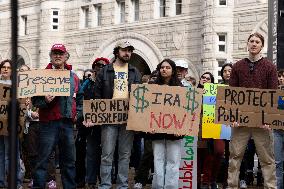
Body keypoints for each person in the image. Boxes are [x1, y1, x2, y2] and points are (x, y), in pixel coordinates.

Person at [84, 40, 141, 189]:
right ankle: (105, 185)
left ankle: (122, 185)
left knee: (125, 155)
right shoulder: (105, 71)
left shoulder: (135, 72)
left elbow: (140, 96)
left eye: (129, 50)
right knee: (107, 154)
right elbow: (97, 94)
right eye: (124, 50)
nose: (127, 53)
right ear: (117, 52)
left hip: (127, 119)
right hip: (108, 118)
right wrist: (94, 115)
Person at [227, 32, 277, 188]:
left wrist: (269, 119)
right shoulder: (237, 66)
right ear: (247, 44)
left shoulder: (270, 67)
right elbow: (232, 93)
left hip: (262, 121)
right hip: (240, 120)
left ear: (262, 46)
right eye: (251, 41)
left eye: (257, 41)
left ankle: (271, 187)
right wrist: (232, 117)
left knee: (267, 159)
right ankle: (232, 186)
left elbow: (273, 95)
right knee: (235, 156)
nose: (254, 44)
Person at [32, 44, 83, 189]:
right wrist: (45, 100)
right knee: (43, 160)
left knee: (69, 161)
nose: (58, 56)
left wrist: (77, 114)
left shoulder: (73, 77)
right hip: (48, 123)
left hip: (67, 124)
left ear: (66, 56)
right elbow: (36, 101)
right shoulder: (42, 76)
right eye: (55, 53)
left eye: (61, 53)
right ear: (51, 56)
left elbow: (79, 98)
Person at [150, 59, 183, 189]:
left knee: (173, 162)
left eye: (167, 67)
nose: (164, 69)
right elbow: (148, 110)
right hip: (156, 131)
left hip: (175, 131)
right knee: (158, 161)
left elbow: (184, 111)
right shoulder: (152, 88)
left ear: (173, 70)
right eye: (162, 67)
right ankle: (158, 186)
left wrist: (181, 128)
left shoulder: (180, 88)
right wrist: (148, 126)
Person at [83, 57, 109, 189]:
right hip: (91, 126)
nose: (101, 68)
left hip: (107, 125)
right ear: (94, 67)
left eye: (104, 66)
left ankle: (105, 180)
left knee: (107, 153)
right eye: (98, 65)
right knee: (92, 153)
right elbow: (81, 99)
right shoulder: (87, 83)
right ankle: (91, 181)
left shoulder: (110, 82)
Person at [0, 59, 24, 189]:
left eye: (8, 67)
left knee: (11, 153)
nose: (5, 69)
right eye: (3, 67)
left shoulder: (18, 86)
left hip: (11, 125)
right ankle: (1, 181)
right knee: (1, 153)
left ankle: (15, 182)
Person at [273, 69, 284, 189]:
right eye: (279, 76)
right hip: (277, 131)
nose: (280, 79)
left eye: (283, 77)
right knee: (277, 163)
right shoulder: (273, 93)